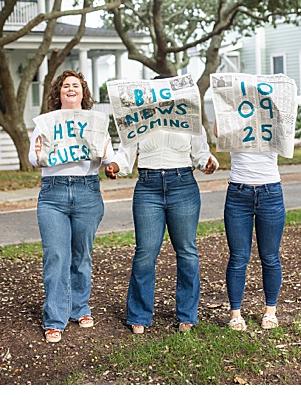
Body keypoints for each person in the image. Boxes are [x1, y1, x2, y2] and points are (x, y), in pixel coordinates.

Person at [30, 69, 124, 343]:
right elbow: (34, 159)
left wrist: (111, 163)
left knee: (81, 255)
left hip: (87, 191)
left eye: (76, 85)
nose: (71, 89)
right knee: (56, 256)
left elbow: (108, 157)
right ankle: (55, 318)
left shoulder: (96, 122)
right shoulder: (45, 123)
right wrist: (39, 154)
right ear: (58, 94)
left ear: (83, 93)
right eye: (65, 86)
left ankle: (79, 308)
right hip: (53, 194)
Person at [124, 99, 219, 333]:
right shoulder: (139, 118)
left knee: (186, 251)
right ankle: (139, 315)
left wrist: (208, 162)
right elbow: (124, 153)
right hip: (148, 186)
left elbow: (201, 153)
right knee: (145, 252)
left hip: (183, 185)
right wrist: (116, 167)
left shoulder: (188, 117)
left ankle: (187, 314)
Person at [210, 109, 286, 330]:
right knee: (238, 257)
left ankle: (270, 311)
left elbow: (285, 138)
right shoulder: (233, 118)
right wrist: (221, 102)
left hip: (270, 192)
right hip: (238, 193)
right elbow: (217, 132)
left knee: (270, 256)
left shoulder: (274, 119)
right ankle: (235, 313)